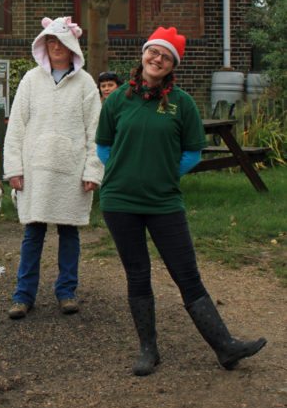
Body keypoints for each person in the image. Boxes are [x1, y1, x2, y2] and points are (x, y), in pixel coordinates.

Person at [95, 25, 267, 375]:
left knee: (186, 273)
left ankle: (225, 347)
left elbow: (192, 152)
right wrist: (127, 169)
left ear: (173, 65)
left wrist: (162, 173)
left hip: (163, 201)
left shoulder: (182, 103)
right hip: (120, 201)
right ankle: (148, 350)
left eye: (166, 56)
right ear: (143, 55)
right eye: (153, 52)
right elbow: (103, 147)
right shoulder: (118, 99)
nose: (157, 59)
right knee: (137, 273)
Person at [4, 16, 103, 319]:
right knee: (33, 233)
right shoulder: (31, 81)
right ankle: (23, 295)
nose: (56, 46)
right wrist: (14, 168)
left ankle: (66, 291)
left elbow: (95, 129)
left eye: (61, 41)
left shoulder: (85, 83)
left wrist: (92, 170)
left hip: (71, 171)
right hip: (36, 170)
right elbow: (17, 126)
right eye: (50, 41)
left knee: (69, 232)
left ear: (71, 45)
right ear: (43, 45)